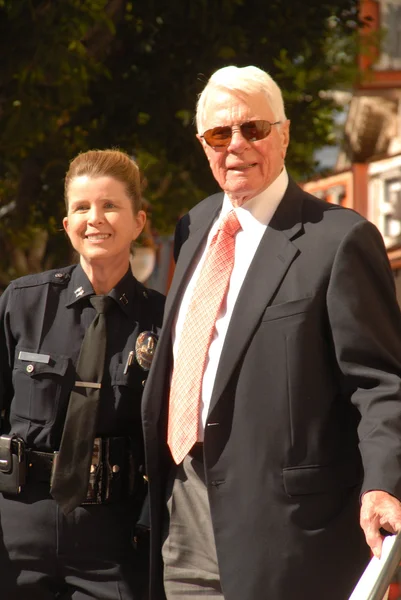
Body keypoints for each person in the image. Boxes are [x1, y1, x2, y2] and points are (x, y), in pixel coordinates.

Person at [141, 65, 401, 600]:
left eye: (253, 129)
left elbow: (379, 383)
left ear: (284, 134)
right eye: (219, 134)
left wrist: (383, 484)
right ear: (203, 145)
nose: (236, 145)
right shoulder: (195, 226)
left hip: (288, 534)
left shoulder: (340, 239)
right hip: (182, 516)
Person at [0, 149, 165, 599]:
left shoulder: (165, 322)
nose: (96, 219)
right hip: (18, 528)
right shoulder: (23, 302)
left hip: (113, 540)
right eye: (81, 207)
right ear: (66, 223)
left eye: (110, 205)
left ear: (138, 221)